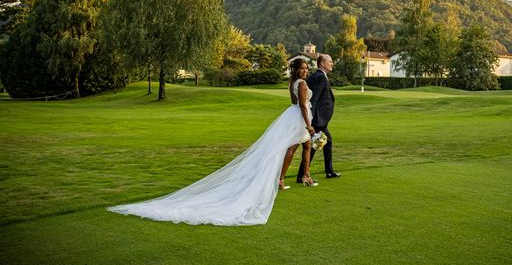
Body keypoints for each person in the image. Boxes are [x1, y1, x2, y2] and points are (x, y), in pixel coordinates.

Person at [108, 58, 317, 226]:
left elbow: (294, 102)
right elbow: (299, 105)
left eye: (307, 68)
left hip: (292, 116)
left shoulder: (293, 83)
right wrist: (308, 124)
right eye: (302, 68)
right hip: (299, 117)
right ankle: (286, 178)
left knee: (300, 146)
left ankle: (297, 177)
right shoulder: (302, 84)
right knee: (292, 147)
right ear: (296, 70)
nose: (305, 71)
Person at [297, 53, 341, 182]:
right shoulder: (320, 77)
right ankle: (303, 175)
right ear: (322, 63)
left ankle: (328, 171)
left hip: (319, 119)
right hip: (317, 119)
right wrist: (311, 120)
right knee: (314, 145)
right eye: (330, 61)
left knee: (322, 143)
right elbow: (314, 100)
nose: (332, 63)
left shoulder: (319, 76)